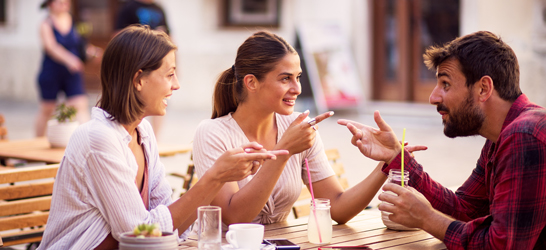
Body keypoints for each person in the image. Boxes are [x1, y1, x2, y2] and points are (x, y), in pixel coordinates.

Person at [37, 25, 287, 250]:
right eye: (169, 74)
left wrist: (219, 179)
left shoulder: (142, 133)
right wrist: (216, 176)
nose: (176, 84)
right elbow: (138, 234)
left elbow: (170, 221)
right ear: (138, 80)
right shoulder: (98, 138)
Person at [192, 31, 426, 226]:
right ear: (252, 82)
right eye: (285, 79)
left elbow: (337, 207)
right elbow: (235, 217)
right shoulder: (212, 133)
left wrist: (387, 164)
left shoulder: (300, 128)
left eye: (298, 77)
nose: (297, 88)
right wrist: (284, 150)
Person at [338, 31, 546, 249]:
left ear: (483, 88)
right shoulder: (502, 136)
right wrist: (396, 156)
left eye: (445, 84)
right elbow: (465, 209)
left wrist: (426, 218)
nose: (433, 97)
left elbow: (500, 246)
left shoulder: (523, 136)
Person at [113, 0, 171, 140]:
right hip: (136, 62)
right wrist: (147, 36)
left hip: (158, 62)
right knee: (133, 99)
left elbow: (169, 36)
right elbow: (117, 36)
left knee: (161, 98)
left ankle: (155, 140)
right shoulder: (128, 7)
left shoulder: (159, 8)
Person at [35, 0, 93, 137]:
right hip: (52, 72)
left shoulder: (74, 21)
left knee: (80, 106)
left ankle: (87, 141)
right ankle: (37, 141)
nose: (64, 5)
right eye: (60, 2)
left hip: (72, 73)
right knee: (47, 110)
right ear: (50, 5)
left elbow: (81, 43)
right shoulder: (45, 24)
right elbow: (51, 47)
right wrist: (69, 60)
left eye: (66, 2)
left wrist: (91, 52)